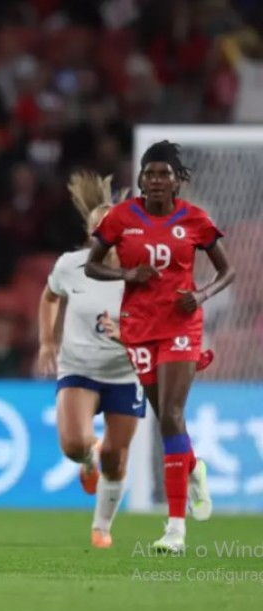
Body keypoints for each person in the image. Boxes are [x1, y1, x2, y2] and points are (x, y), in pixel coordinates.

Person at [86, 140, 236, 553]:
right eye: (149, 173)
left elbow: (229, 270)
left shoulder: (196, 220)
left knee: (171, 414)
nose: (156, 180)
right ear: (141, 178)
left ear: (176, 181)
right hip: (139, 326)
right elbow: (92, 265)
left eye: (164, 173)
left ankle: (175, 530)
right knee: (165, 419)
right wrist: (129, 274)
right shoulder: (120, 217)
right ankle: (193, 467)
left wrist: (202, 295)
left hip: (182, 323)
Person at [36, 173, 145, 549]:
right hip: (79, 367)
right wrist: (47, 341)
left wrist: (129, 331)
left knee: (117, 457)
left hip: (126, 372)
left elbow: (162, 319)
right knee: (73, 445)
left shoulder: (140, 272)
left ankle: (102, 527)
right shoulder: (71, 265)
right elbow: (50, 297)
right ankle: (87, 457)